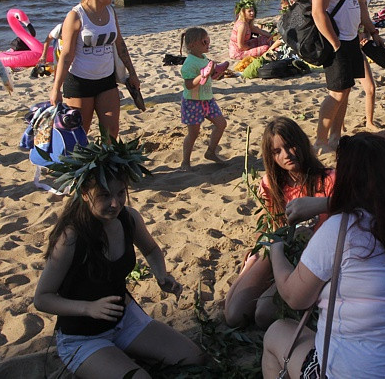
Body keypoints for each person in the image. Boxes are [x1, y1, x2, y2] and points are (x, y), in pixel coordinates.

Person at [261, 133, 385, 378]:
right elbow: (377, 202)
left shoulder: (340, 230)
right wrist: (326, 204)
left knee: (277, 332)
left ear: (347, 179)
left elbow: (294, 297)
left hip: (360, 373)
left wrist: (276, 248)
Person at [33, 141, 204, 378]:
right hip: (82, 337)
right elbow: (42, 298)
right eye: (104, 195)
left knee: (193, 358)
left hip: (125, 319)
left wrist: (161, 275)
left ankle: (119, 353)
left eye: (121, 193)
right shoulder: (71, 237)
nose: (115, 203)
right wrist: (88, 308)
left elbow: (151, 250)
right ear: (85, 194)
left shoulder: (128, 218)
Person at [223, 117, 335, 328]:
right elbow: (266, 228)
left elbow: (354, 207)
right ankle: (251, 268)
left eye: (290, 146)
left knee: (264, 313)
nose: (286, 155)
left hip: (311, 257)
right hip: (279, 250)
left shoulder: (328, 179)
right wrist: (258, 256)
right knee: (234, 315)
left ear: (302, 142)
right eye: (277, 151)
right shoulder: (270, 184)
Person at [312, 0, 383, 153]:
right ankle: (320, 141)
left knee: (347, 89)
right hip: (337, 40)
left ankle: (336, 137)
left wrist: (372, 31)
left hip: (351, 39)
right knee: (337, 92)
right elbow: (318, 12)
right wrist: (335, 43)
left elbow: (360, 4)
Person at [49, 0, 139, 138]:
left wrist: (132, 73)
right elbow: (66, 55)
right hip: (79, 82)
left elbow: (120, 44)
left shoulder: (110, 12)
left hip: (106, 79)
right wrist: (56, 89)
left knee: (111, 131)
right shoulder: (76, 16)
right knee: (80, 133)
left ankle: (107, 156)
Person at [179, 27, 227, 171]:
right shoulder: (189, 63)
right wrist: (203, 75)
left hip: (207, 100)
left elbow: (207, 78)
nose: (208, 44)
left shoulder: (204, 58)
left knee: (221, 124)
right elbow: (189, 85)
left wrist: (214, 74)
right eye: (204, 41)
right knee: (193, 134)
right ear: (192, 44)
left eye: (208, 40)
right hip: (193, 102)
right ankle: (185, 162)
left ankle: (211, 152)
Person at [356, 0, 379, 129]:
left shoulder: (363, 8)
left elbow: (365, 31)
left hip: (359, 52)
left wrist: (365, 38)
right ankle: (339, 126)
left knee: (370, 88)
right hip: (346, 51)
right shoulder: (348, 9)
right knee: (342, 93)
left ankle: (369, 122)